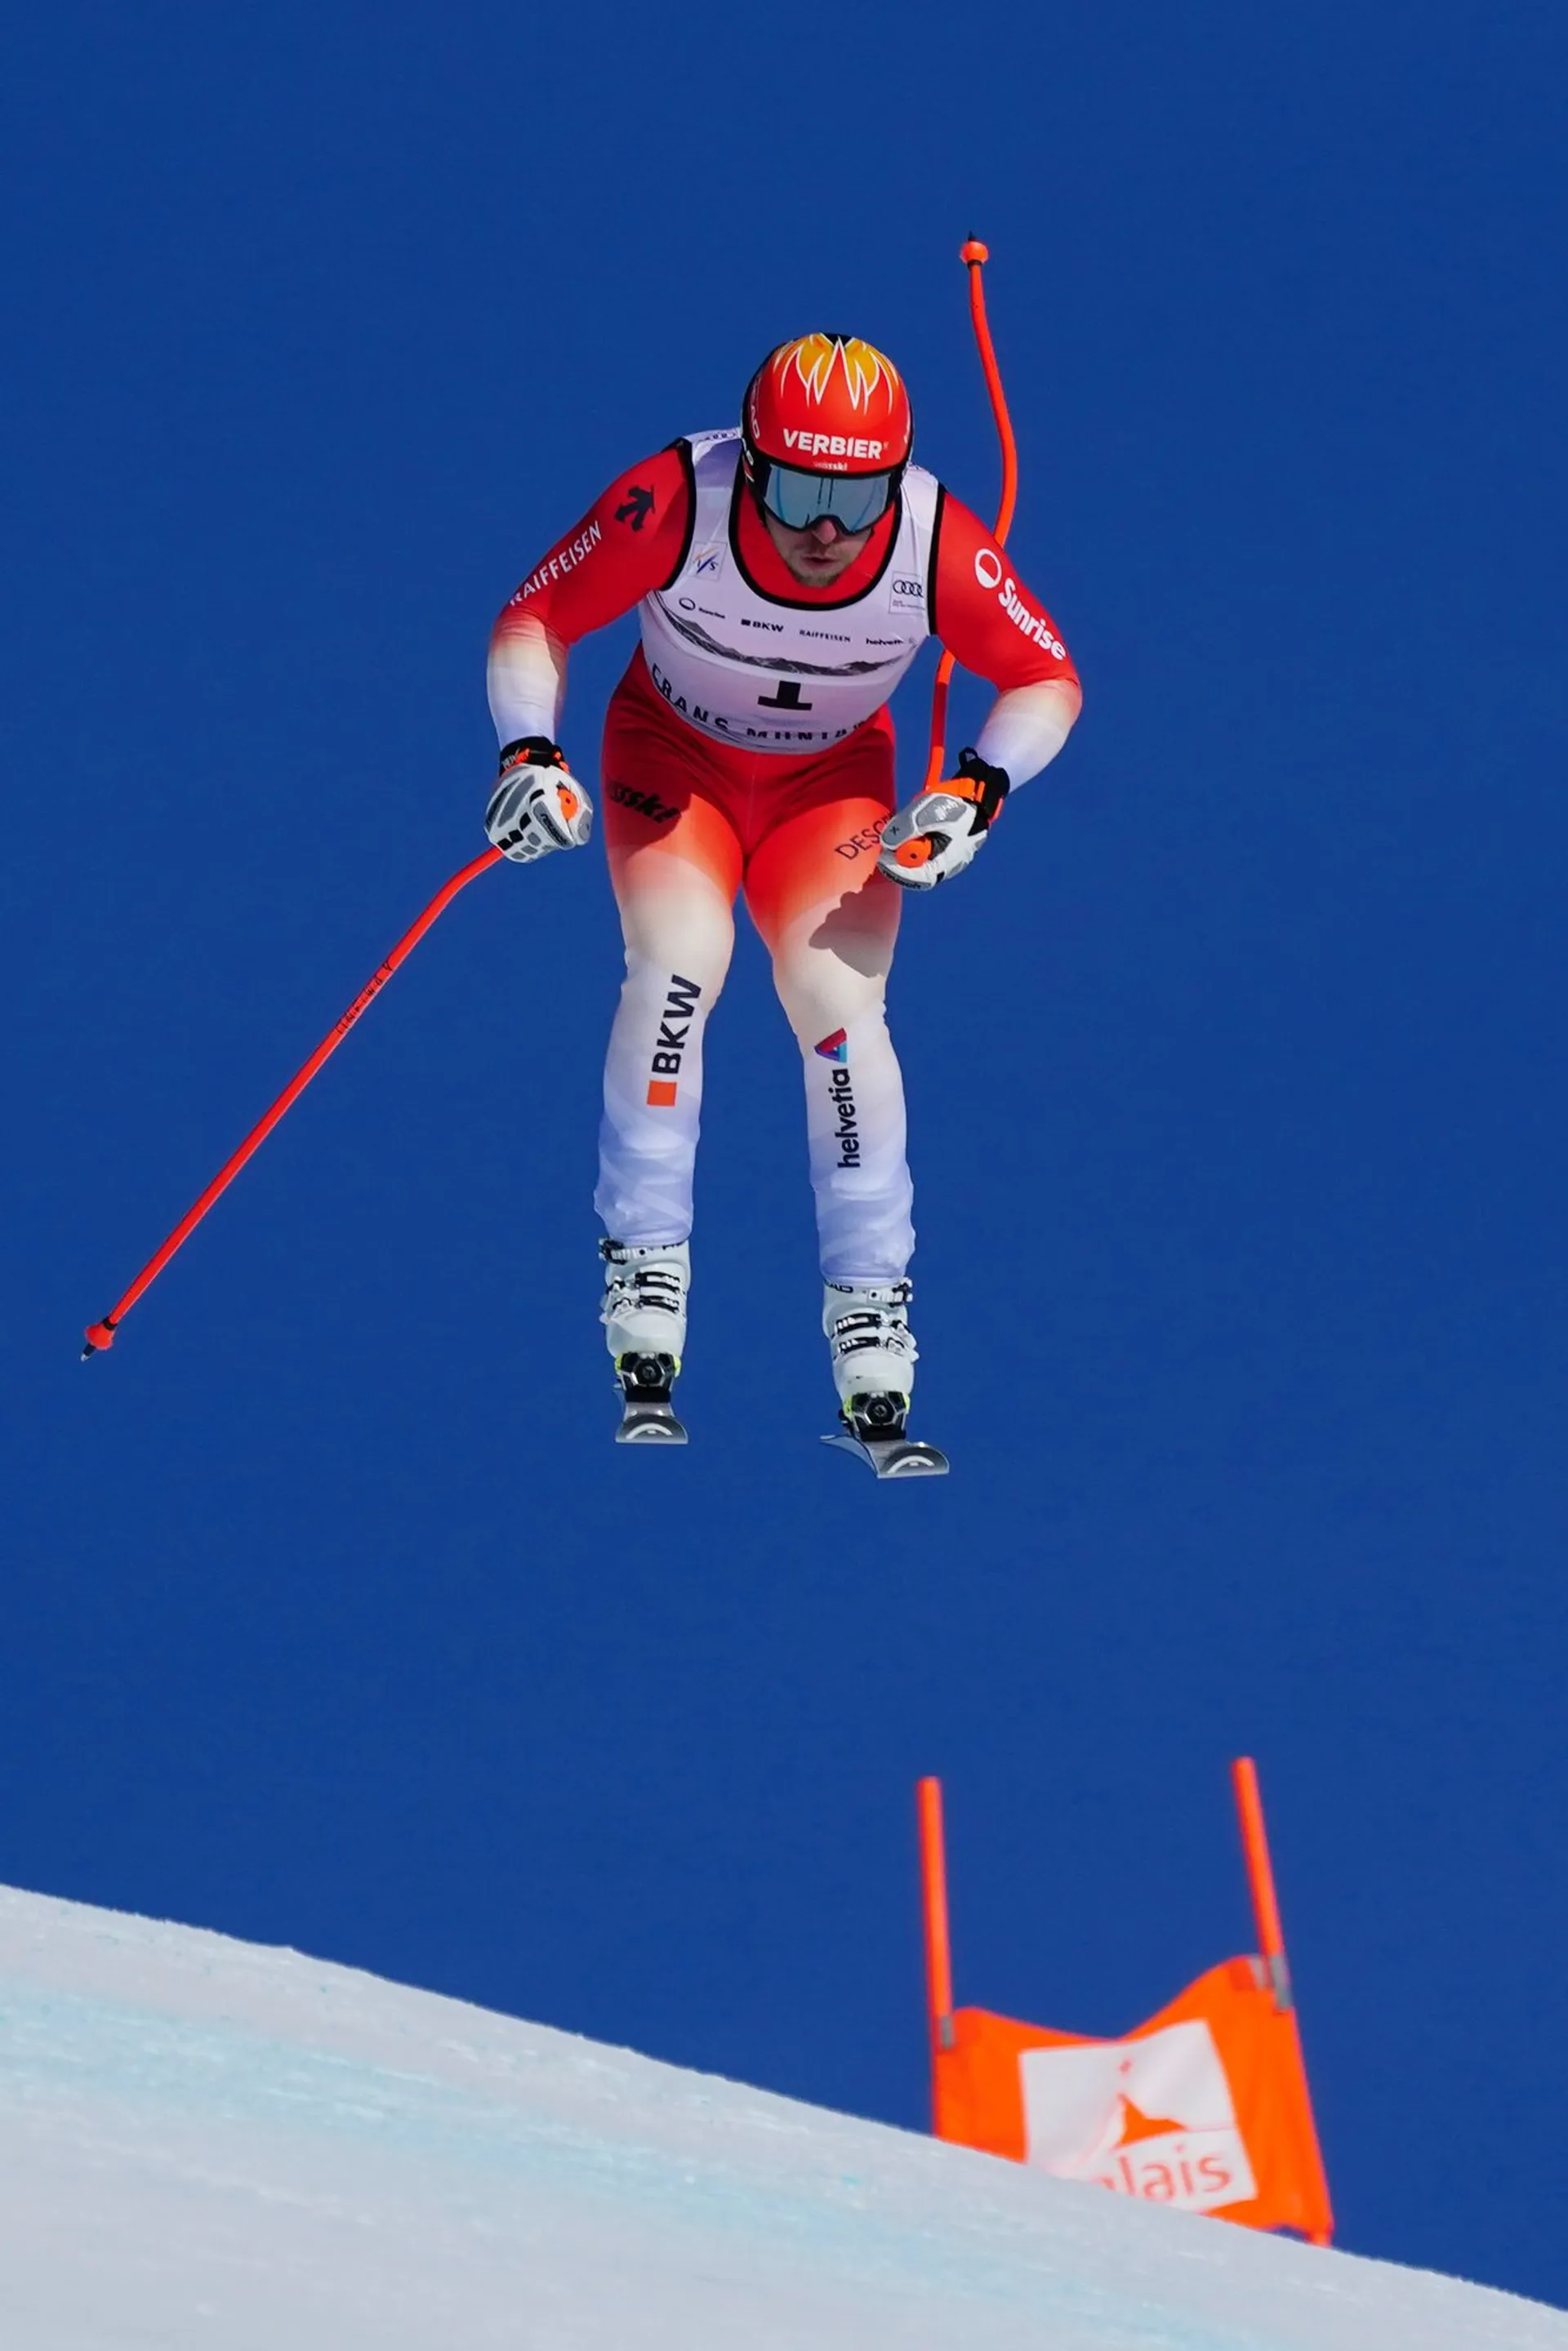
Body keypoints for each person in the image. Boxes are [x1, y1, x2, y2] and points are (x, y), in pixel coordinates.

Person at [484, 332, 1081, 1456]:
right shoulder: (675, 498)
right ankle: (645, 1262)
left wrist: (978, 790)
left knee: (838, 1008)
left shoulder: (936, 539)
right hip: (674, 760)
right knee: (677, 964)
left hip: (830, 785)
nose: (827, 531)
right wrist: (529, 752)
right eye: (800, 492)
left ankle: (872, 1304)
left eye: (856, 498)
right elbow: (536, 616)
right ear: (750, 464)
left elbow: (1047, 674)